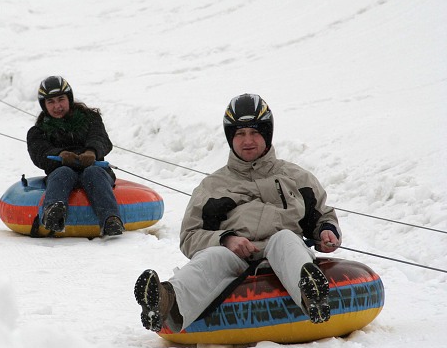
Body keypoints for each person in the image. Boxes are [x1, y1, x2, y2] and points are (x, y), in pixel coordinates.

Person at [134, 93, 341, 333]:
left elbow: (322, 216)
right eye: (240, 134)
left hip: (282, 253)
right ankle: (165, 302)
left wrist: (327, 231)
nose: (247, 140)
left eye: (254, 132)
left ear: (267, 134)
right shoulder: (213, 186)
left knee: (285, 239)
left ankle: (311, 295)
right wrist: (226, 240)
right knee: (212, 257)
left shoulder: (296, 177)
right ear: (231, 138)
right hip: (235, 259)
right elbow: (190, 236)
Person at [27, 76, 125, 236]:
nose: (57, 106)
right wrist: (60, 155)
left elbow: (100, 139)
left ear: (69, 99)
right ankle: (53, 213)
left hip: (94, 169)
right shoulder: (38, 131)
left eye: (61, 99)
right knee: (63, 173)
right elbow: (39, 153)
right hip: (61, 171)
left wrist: (92, 152)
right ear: (44, 105)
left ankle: (111, 219)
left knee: (93, 173)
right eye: (51, 102)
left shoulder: (90, 119)